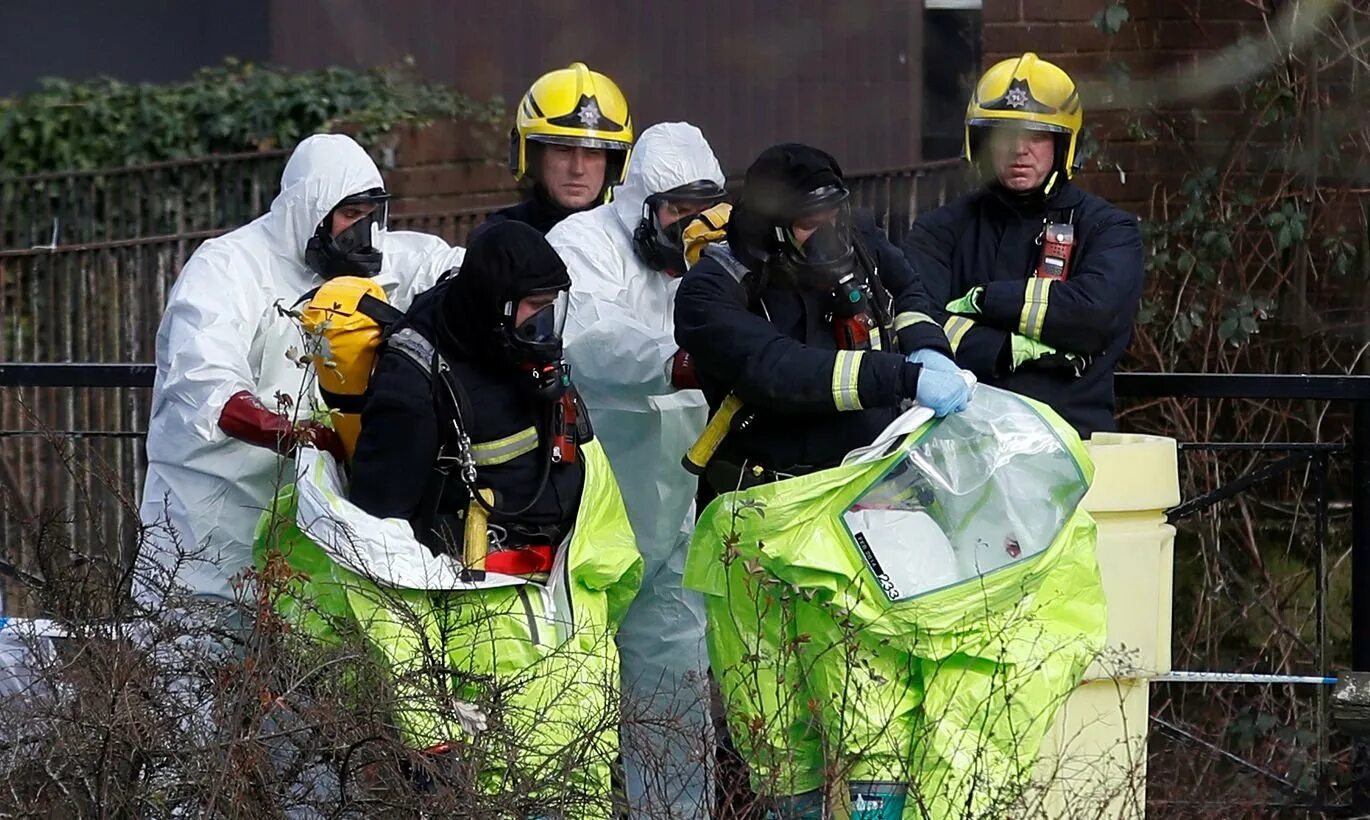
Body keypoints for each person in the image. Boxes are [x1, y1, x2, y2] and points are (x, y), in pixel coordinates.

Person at [672, 144, 972, 817]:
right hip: (760, 516)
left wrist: (926, 346)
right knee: (772, 720)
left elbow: (913, 291)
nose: (831, 231)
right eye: (813, 220)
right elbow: (781, 372)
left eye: (836, 213)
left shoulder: (850, 233)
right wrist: (900, 376)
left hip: (867, 502)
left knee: (875, 706)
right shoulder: (712, 289)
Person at [344, 221, 641, 814]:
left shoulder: (518, 356)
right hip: (482, 660)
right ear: (494, 307)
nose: (543, 330)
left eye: (550, 313)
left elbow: (591, 502)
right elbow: (374, 555)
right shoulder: (416, 380)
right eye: (532, 312)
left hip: (570, 640)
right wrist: (429, 720)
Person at [137, 133, 466, 608]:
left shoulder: (384, 264)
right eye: (350, 216)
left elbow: (461, 273)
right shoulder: (228, 268)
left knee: (305, 669)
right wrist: (295, 434)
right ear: (309, 211)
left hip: (313, 529)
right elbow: (204, 385)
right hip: (211, 524)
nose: (364, 232)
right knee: (192, 663)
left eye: (372, 215)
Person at [546, 121, 726, 818]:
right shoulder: (585, 243)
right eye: (676, 211)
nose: (689, 227)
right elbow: (591, 338)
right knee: (570, 690)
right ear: (642, 203)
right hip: (595, 508)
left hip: (678, 508)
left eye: (702, 209)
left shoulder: (717, 254)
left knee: (675, 697)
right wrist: (681, 359)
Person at [902, 52, 1145, 439]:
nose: (1020, 150)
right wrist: (1012, 349)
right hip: (960, 446)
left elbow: (1094, 318)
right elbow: (914, 323)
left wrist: (983, 302)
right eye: (1005, 136)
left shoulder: (1107, 229)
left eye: (1036, 135)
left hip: (1068, 443)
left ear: (1064, 145)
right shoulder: (939, 230)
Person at [474, 62, 634, 238]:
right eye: (563, 150)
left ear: (612, 164)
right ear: (532, 156)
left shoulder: (631, 241)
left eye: (592, 153)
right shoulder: (497, 240)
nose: (577, 169)